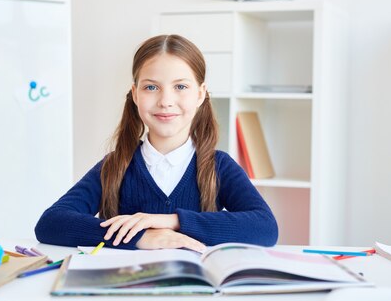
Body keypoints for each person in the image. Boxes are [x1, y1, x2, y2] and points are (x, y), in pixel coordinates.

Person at [35, 34, 278, 251]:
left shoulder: (218, 165)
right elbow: (51, 223)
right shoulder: (115, 165)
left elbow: (265, 228)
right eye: (151, 87)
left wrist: (170, 221)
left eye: (180, 86)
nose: (165, 101)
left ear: (201, 94)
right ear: (135, 94)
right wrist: (140, 237)